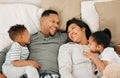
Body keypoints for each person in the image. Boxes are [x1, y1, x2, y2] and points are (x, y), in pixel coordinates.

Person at [28, 10, 67, 78]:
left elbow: (81, 37)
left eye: (58, 23)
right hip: (32, 74)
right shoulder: (30, 38)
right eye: (53, 21)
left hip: (52, 75)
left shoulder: (62, 37)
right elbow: (8, 51)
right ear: (42, 20)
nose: (56, 25)